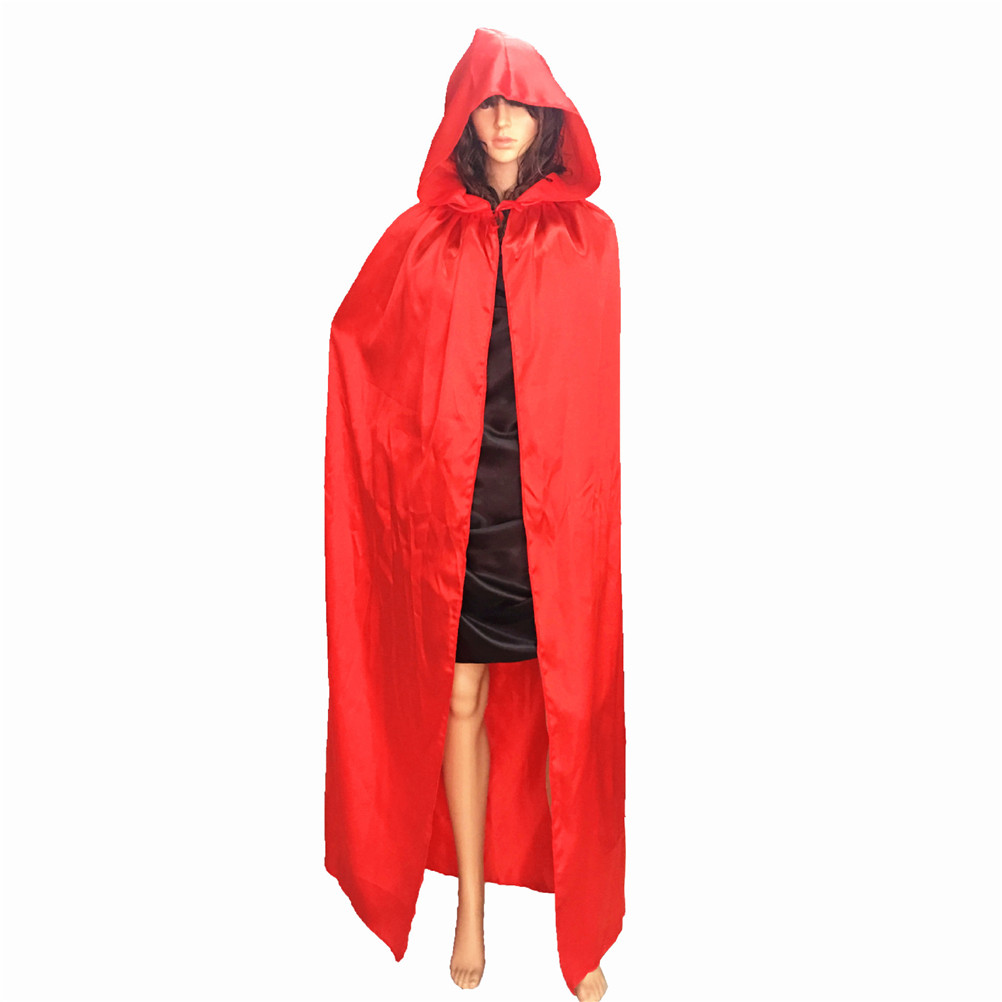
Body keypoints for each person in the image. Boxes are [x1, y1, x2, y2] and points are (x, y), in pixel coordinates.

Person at [324, 29, 624, 1001]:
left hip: (552, 516)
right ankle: (469, 909)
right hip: (457, 516)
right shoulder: (420, 239)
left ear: (547, 119)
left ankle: (581, 926)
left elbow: (590, 401)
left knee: (574, 709)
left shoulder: (589, 242)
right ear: (464, 117)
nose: (502, 120)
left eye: (519, 104)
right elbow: (358, 344)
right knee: (461, 699)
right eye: (486, 104)